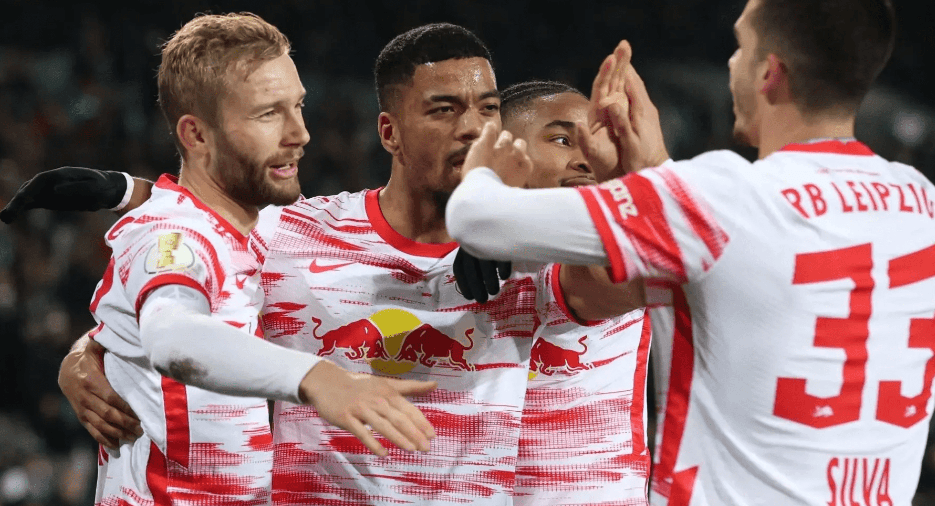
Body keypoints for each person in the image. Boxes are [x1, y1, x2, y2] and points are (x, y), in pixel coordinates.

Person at [9, 23, 552, 505]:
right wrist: (90, 352)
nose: (300, 133)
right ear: (389, 132)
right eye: (270, 113)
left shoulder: (547, 252)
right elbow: (173, 312)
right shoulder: (274, 234)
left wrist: (497, 222)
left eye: (489, 108)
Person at [447, 0, 929, 504]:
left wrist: (487, 166)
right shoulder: (921, 202)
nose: (730, 64)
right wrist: (653, 169)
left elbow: (476, 217)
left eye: (739, 47)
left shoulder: (720, 196)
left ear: (769, 73)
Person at [499, 80, 652, 505]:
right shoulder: (434, 264)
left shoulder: (600, 259)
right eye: (563, 140)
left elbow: (636, 274)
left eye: (599, 143)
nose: (587, 160)